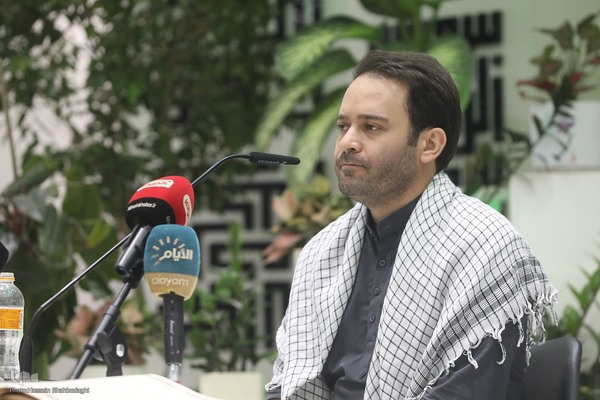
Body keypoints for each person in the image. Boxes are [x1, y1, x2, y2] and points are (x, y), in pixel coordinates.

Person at [265, 50, 557, 400]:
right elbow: (288, 386)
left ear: (429, 144)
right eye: (343, 126)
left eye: (371, 127)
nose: (347, 143)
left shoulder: (486, 247)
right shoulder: (322, 252)